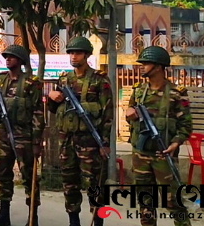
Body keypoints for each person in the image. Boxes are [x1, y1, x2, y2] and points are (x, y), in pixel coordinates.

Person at [47, 37, 113, 226]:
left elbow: (108, 114)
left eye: (77, 52)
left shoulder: (99, 80)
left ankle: (97, 221)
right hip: (67, 140)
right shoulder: (64, 79)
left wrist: (105, 143)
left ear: (86, 55)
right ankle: (73, 221)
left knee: (96, 184)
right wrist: (51, 95)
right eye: (71, 52)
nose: (73, 56)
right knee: (70, 183)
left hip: (91, 141)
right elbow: (53, 108)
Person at [126, 46, 192, 226]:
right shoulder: (139, 92)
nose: (142, 66)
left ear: (158, 66)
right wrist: (130, 113)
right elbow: (129, 114)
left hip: (163, 156)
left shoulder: (176, 93)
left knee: (174, 203)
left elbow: (186, 125)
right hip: (141, 155)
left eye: (146, 63)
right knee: (145, 204)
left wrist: (176, 143)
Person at [0, 45, 45, 226]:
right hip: (3, 134)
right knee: (3, 173)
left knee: (29, 176)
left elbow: (37, 112)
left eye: (12, 57)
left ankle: (32, 216)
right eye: (6, 57)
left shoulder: (31, 83)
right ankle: (4, 214)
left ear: (20, 61)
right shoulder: (0, 80)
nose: (8, 59)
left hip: (24, 136)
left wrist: (37, 141)